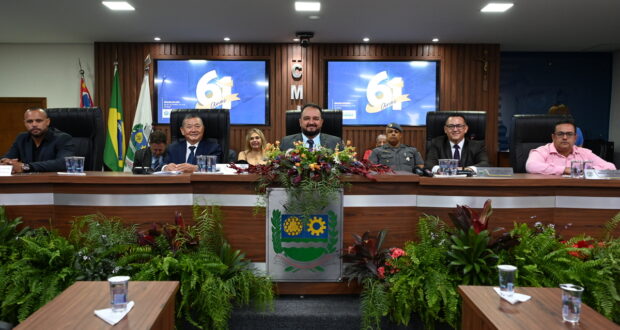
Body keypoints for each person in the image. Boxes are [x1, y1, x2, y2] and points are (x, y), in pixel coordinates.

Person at [526, 119, 615, 175]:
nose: (565, 137)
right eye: (560, 134)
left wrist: (586, 170)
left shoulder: (585, 153)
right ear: (553, 137)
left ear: (575, 138)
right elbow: (531, 166)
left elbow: (611, 167)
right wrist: (565, 170)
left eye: (569, 134)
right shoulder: (541, 151)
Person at [1, 108, 75, 173]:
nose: (34, 124)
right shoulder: (22, 138)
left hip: (52, 183)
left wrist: (26, 167)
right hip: (27, 183)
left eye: (38, 121)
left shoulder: (62, 138)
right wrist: (6, 162)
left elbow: (64, 163)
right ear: (24, 123)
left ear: (47, 122)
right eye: (29, 121)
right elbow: (8, 157)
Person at [424, 115, 490, 171]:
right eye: (451, 126)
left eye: (459, 126)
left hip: (469, 182)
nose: (455, 129)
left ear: (465, 129)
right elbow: (429, 164)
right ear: (445, 129)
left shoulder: (477, 146)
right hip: (444, 182)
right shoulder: (437, 143)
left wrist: (468, 169)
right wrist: (444, 170)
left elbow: (485, 163)